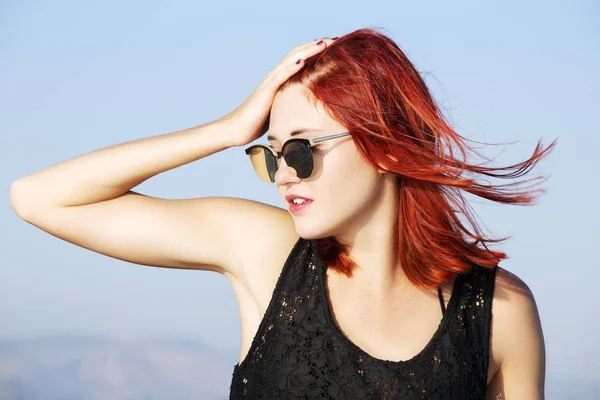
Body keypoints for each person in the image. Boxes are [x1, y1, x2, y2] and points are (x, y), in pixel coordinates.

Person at [10, 28, 554, 399]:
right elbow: (40, 198)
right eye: (269, 154)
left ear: (385, 146)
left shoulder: (498, 311)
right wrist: (225, 130)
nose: (284, 174)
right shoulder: (267, 254)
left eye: (302, 150)